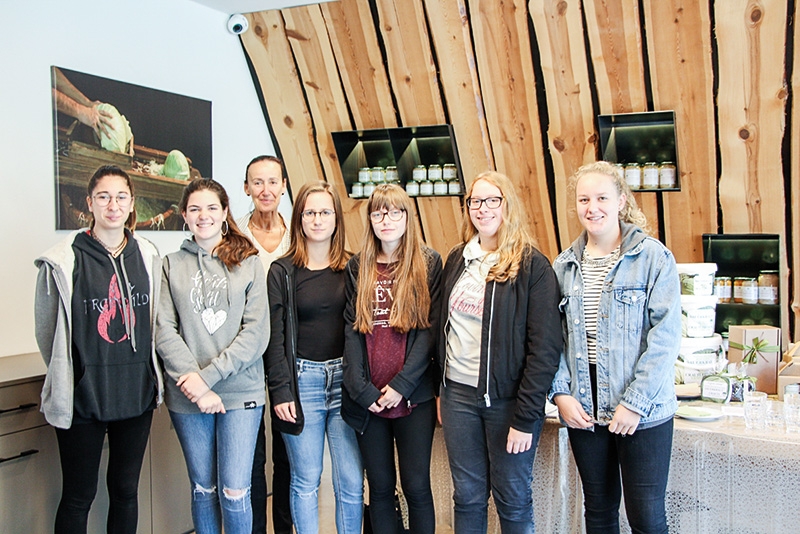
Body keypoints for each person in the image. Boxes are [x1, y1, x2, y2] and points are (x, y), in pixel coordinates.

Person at [549, 161, 681, 533]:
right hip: (584, 410)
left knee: (646, 515)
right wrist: (561, 394)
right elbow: (551, 340)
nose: (593, 207)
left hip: (643, 411)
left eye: (602, 197)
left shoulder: (654, 258)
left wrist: (634, 403)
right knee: (600, 510)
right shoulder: (564, 267)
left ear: (621, 200)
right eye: (584, 199)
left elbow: (665, 338)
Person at [34, 164, 163, 534]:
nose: (113, 205)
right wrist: (72, 372)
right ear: (90, 202)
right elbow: (47, 331)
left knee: (125, 491)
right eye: (103, 197)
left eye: (121, 196)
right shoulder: (64, 259)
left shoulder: (148, 254)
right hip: (83, 397)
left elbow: (156, 322)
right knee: (79, 495)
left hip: (135, 395)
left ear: (132, 203)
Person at [438, 171, 562, 533]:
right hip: (458, 396)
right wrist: (439, 390)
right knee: (468, 495)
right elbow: (441, 330)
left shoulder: (532, 266)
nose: (483, 208)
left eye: (493, 200)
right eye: (476, 201)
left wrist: (526, 417)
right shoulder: (457, 259)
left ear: (508, 205)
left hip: (508, 402)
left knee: (512, 495)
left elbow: (545, 348)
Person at [156, 178, 269, 534]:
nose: (202, 215)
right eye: (194, 209)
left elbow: (256, 334)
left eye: (211, 208)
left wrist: (206, 378)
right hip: (188, 396)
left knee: (235, 492)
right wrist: (197, 387)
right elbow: (163, 329)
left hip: (240, 393)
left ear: (224, 213)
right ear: (184, 216)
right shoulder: (170, 265)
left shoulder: (249, 261)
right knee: (203, 489)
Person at [342, 183, 441, 534]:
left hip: (413, 397)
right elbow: (352, 330)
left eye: (395, 211)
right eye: (378, 212)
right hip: (369, 401)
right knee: (381, 488)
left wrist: (400, 385)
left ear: (407, 217)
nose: (386, 219)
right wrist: (363, 391)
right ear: (370, 218)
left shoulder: (428, 262)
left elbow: (429, 331)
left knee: (416, 486)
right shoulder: (358, 266)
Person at [266, 181, 363, 533]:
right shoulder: (282, 272)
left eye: (325, 212)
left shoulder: (353, 267)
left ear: (336, 218)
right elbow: (273, 337)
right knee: (306, 480)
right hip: (301, 382)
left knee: (350, 481)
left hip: (345, 382)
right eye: (310, 212)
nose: (318, 220)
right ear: (299, 219)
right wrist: (280, 390)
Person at [236, 155, 293, 534]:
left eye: (273, 182)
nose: (266, 190)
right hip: (247, 363)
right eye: (258, 183)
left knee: (288, 455)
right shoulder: (234, 237)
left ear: (284, 186)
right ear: (246, 189)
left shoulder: (300, 236)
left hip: (290, 359)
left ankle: (285, 528)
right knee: (252, 457)